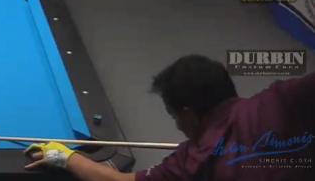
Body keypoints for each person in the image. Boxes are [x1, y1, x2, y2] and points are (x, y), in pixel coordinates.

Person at [24, 55, 314, 180]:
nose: (177, 125)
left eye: (174, 115)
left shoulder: (192, 161)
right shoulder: (281, 99)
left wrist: (64, 156)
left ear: (187, 114)